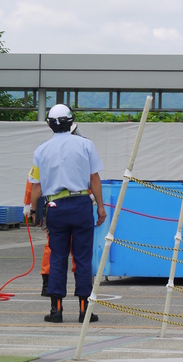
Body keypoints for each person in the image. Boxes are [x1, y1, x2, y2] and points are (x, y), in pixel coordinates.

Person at [29, 104, 107, 324]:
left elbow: (36, 187)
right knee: (83, 259)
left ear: (50, 125)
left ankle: (56, 311)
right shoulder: (86, 145)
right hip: (81, 204)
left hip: (55, 208)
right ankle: (84, 311)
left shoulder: (41, 150)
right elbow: (94, 179)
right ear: (71, 121)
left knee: (57, 258)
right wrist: (100, 206)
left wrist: (35, 212)